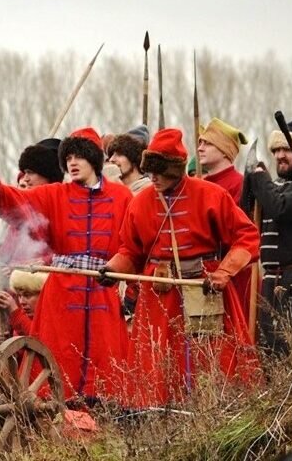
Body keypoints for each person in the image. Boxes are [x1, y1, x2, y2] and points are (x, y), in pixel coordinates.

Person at [99, 128, 259, 408]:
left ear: (176, 170)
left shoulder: (212, 195)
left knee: (211, 356)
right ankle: (161, 414)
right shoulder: (140, 203)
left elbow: (247, 237)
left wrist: (223, 272)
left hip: (205, 288)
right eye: (151, 173)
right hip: (160, 295)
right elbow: (131, 251)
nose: (154, 179)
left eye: (160, 173)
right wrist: (111, 269)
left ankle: (215, 409)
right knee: (160, 360)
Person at [0, 127, 133, 403]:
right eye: (68, 157)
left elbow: (132, 241)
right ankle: (54, 413)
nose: (72, 162)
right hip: (62, 292)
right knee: (58, 354)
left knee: (105, 355)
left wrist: (117, 266)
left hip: (102, 290)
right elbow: (19, 203)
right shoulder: (54, 194)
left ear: (94, 159)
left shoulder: (122, 197)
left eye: (79, 156)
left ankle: (103, 415)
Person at [241, 119, 292, 355]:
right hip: (271, 280)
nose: (279, 155)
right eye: (276, 150)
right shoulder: (274, 187)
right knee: (270, 350)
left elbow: (281, 208)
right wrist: (250, 182)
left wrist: (259, 179)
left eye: (286, 149)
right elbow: (246, 218)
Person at [0, 269, 47, 348]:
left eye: (27, 295)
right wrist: (7, 344)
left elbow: (39, 342)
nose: (21, 302)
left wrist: (15, 312)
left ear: (43, 295)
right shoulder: (24, 317)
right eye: (19, 296)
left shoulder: (51, 318)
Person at [198, 118, 248, 200]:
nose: (199, 148)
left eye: (207, 143)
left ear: (225, 151)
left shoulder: (240, 185)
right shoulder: (201, 184)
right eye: (200, 143)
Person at [106, 125, 152, 193]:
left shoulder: (148, 189)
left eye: (119, 154)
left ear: (134, 158)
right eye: (112, 155)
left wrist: (115, 186)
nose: (111, 159)